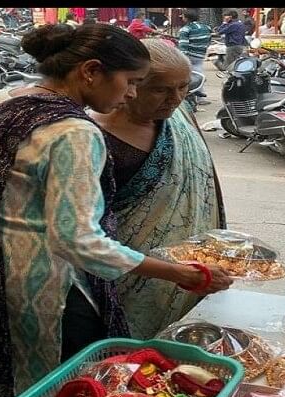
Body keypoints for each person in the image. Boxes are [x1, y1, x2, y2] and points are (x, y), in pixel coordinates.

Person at [0, 23, 231, 397]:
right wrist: (178, 273)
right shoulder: (74, 132)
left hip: (6, 276)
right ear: (91, 71)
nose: (131, 93)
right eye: (131, 81)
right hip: (56, 293)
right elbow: (77, 239)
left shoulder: (11, 106)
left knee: (25, 395)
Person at [90, 39, 226, 339]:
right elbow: (86, 233)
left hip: (192, 272)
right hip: (123, 273)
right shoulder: (92, 136)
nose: (176, 98)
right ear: (131, 85)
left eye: (184, 87)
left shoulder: (179, 118)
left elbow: (205, 186)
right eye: (161, 89)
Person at [178, 9, 211, 103]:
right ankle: (200, 98)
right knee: (199, 74)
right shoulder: (207, 27)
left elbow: (183, 45)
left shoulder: (186, 29)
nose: (182, 18)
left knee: (189, 77)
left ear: (186, 18)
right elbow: (208, 41)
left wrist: (182, 58)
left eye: (183, 16)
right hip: (200, 55)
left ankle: (192, 97)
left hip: (190, 56)